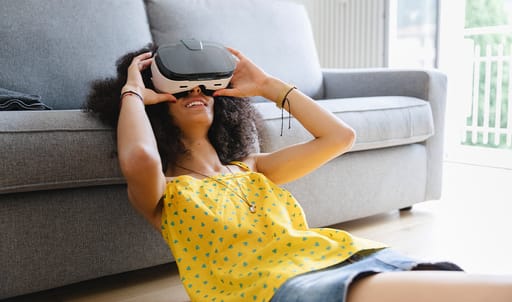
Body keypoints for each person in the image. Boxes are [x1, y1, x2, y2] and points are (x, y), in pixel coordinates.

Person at [86, 44, 512, 302]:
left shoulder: (253, 169)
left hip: (337, 257)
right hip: (279, 288)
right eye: (180, 89)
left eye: (204, 87)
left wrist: (269, 85)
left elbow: (339, 137)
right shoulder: (163, 193)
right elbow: (140, 158)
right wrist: (133, 92)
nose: (196, 93)